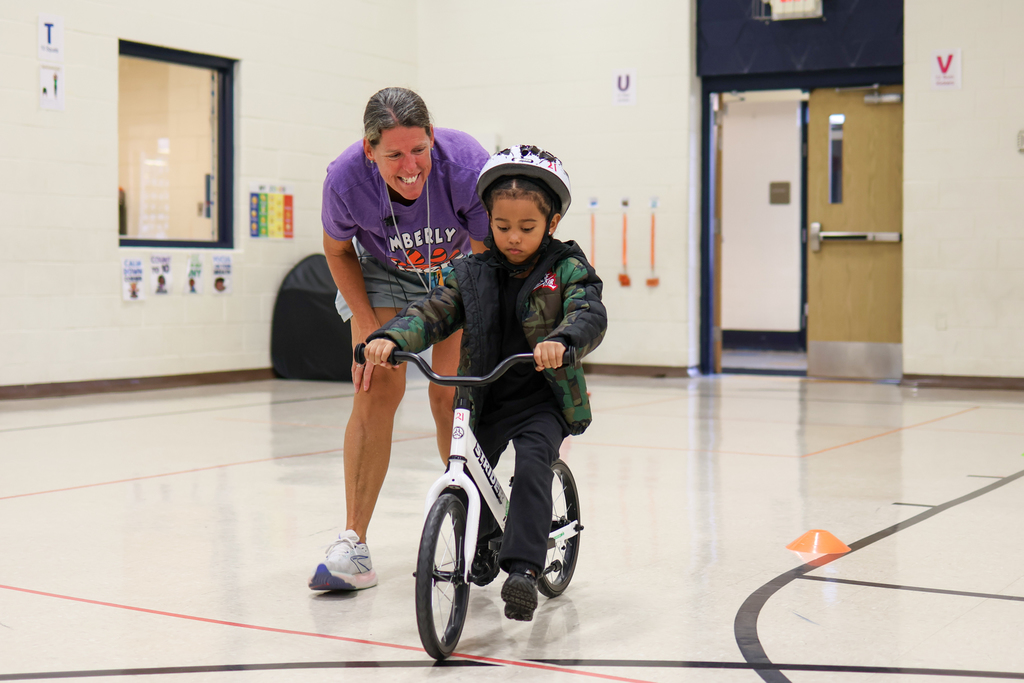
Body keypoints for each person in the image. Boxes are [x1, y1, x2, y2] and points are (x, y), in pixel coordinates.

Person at [362, 145, 607, 621]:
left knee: (534, 462)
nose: (513, 238)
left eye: (527, 228)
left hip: (543, 397)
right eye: (502, 227)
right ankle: (480, 541)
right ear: (488, 221)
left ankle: (522, 571)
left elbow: (588, 310)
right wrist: (391, 336)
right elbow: (432, 311)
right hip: (486, 392)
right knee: (469, 471)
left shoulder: (566, 268)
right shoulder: (470, 272)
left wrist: (565, 338)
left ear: (552, 223)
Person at [310, 87, 490, 591]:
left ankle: (472, 521)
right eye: (394, 155)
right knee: (376, 385)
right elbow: (338, 251)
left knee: (450, 394)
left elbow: (482, 259)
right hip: (383, 274)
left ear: (432, 137)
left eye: (419, 149)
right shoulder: (344, 180)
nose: (411, 166)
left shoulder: (468, 166)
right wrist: (366, 323)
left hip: (458, 272)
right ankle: (353, 543)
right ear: (370, 151)